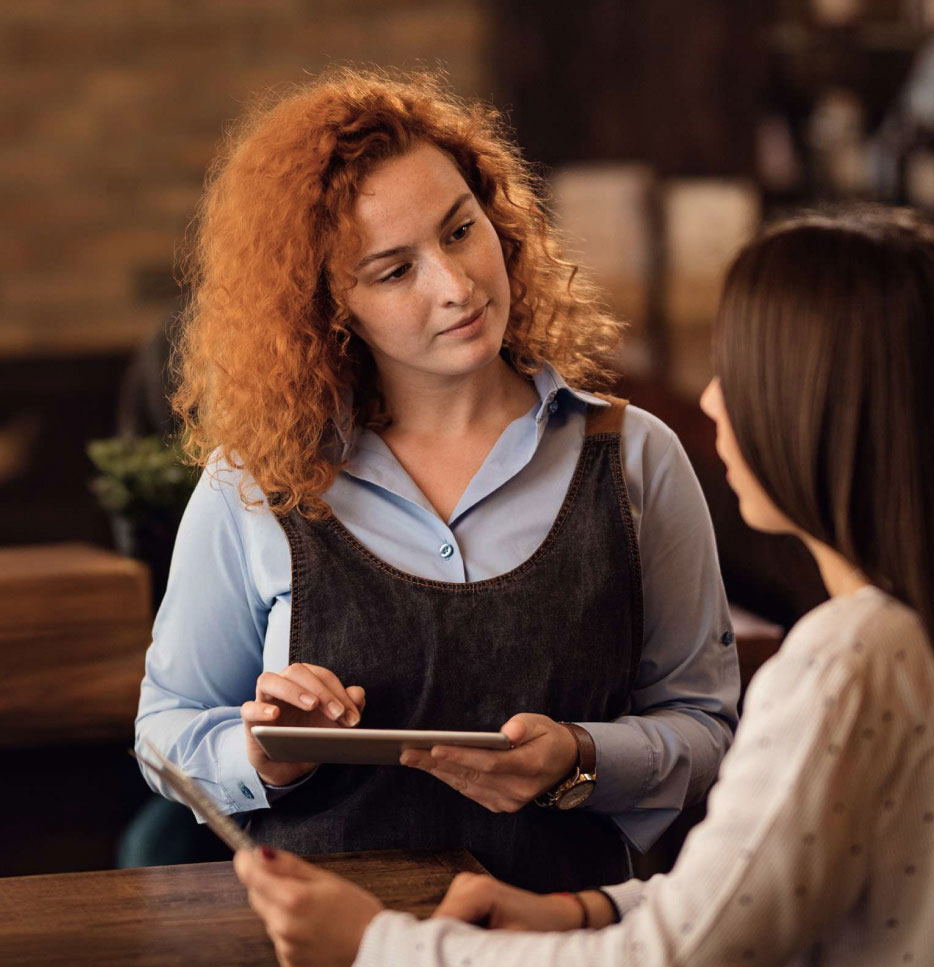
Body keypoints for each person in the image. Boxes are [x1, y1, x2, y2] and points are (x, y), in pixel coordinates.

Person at [236, 208, 934, 967]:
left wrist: (373, 950)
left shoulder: (852, 659)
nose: (714, 399)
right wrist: (582, 913)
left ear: (825, 415)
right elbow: (770, 889)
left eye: (741, 371)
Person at [135, 67, 739, 891]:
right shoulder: (257, 486)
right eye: (393, 271)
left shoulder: (636, 460)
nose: (455, 287)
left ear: (499, 217)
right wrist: (267, 755)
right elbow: (164, 735)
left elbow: (709, 731)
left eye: (460, 231)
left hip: (570, 962)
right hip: (329, 962)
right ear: (329, 306)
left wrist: (583, 758)